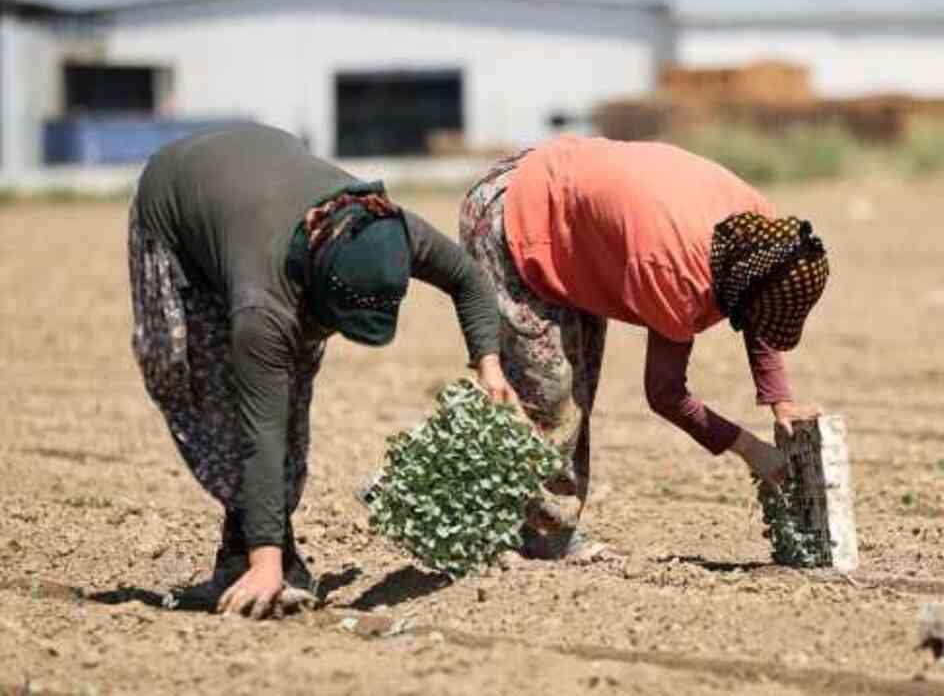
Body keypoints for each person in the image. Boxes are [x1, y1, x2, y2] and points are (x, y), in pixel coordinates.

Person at [128, 123, 514, 618]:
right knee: (202, 385)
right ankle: (259, 557)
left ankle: (249, 548)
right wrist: (269, 565)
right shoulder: (263, 305)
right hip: (175, 205)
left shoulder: (385, 226)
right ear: (315, 285)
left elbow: (467, 277)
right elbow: (259, 429)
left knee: (289, 383)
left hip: (254, 182)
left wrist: (490, 366)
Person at [459, 135, 830, 559]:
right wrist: (750, 450)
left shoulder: (763, 231)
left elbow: (762, 298)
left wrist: (780, 401)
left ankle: (532, 526)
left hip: (569, 213)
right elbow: (666, 394)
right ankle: (533, 534)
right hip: (513, 217)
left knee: (577, 388)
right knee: (550, 393)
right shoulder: (674, 273)